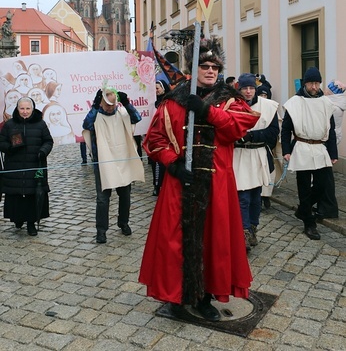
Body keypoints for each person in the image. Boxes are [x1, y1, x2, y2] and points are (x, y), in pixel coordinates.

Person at [139, 38, 259, 322]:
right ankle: (175, 299)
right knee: (174, 242)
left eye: (214, 67)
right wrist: (172, 164)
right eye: (204, 66)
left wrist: (206, 111)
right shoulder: (173, 100)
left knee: (213, 243)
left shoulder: (230, 99)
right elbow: (154, 140)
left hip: (216, 185)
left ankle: (205, 299)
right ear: (193, 69)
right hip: (179, 185)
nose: (210, 71)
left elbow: (236, 128)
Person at [281, 67, 338, 240]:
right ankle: (309, 223)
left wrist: (333, 152)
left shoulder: (326, 103)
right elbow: (286, 130)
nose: (314, 87)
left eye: (317, 83)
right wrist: (286, 150)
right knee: (304, 187)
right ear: (305, 83)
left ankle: (302, 210)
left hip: (320, 148)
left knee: (322, 185)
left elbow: (332, 130)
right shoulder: (295, 102)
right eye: (311, 83)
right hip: (302, 147)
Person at [82, 84, 144, 243]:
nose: (111, 108)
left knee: (125, 195)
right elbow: (86, 125)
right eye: (107, 105)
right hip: (103, 163)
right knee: (102, 199)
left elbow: (136, 118)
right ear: (101, 102)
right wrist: (95, 107)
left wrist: (127, 104)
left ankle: (124, 222)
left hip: (123, 159)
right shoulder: (96, 115)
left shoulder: (122, 112)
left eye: (113, 104)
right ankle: (101, 230)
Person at [233, 74, 279, 251]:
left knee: (255, 197)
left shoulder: (268, 107)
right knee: (242, 197)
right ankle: (243, 232)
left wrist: (252, 135)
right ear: (240, 89)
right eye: (245, 88)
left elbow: (273, 132)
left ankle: (252, 228)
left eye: (251, 88)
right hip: (240, 156)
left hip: (259, 154)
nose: (248, 91)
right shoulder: (233, 106)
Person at [0, 97, 53, 236]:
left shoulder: (40, 124)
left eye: (27, 108)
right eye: (22, 108)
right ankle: (17, 219)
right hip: (14, 167)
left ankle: (31, 223)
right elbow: (1, 142)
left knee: (31, 194)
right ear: (17, 109)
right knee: (16, 195)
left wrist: (43, 151)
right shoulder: (10, 124)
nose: (25, 112)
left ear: (32, 108)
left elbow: (48, 141)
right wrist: (10, 148)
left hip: (35, 165)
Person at [313, 79, 346, 219]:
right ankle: (323, 205)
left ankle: (327, 208)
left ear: (332, 92)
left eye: (328, 89)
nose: (325, 90)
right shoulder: (335, 102)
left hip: (327, 142)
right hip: (329, 141)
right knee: (323, 176)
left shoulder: (333, 105)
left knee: (325, 177)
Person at [151, 79, 170, 196]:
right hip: (154, 137)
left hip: (166, 137)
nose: (156, 91)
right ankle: (157, 185)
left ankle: (164, 185)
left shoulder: (168, 101)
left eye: (157, 88)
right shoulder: (152, 102)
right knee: (156, 164)